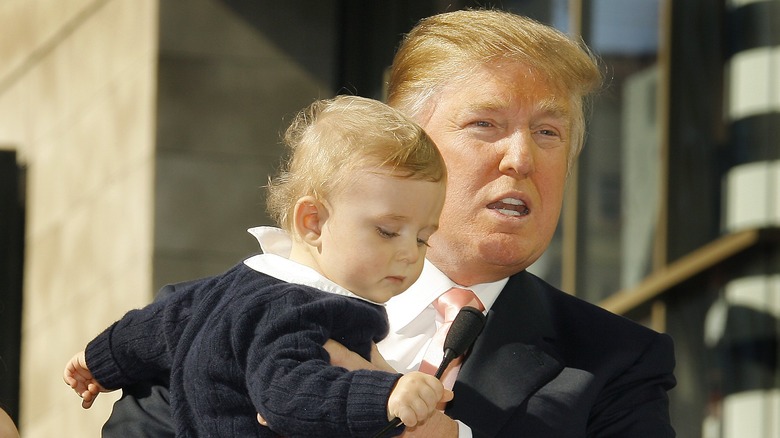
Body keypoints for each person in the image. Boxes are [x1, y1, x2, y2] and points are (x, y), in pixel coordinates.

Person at [101, 8, 677, 438]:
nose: (521, 158)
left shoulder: (619, 363)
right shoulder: (223, 313)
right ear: (405, 146)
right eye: (485, 124)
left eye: (549, 133)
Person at [63, 95, 451, 437]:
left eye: (422, 238)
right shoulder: (303, 310)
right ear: (312, 222)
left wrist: (100, 359)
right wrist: (385, 395)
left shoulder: (238, 283)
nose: (409, 253)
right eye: (387, 231)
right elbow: (287, 394)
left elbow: (157, 326)